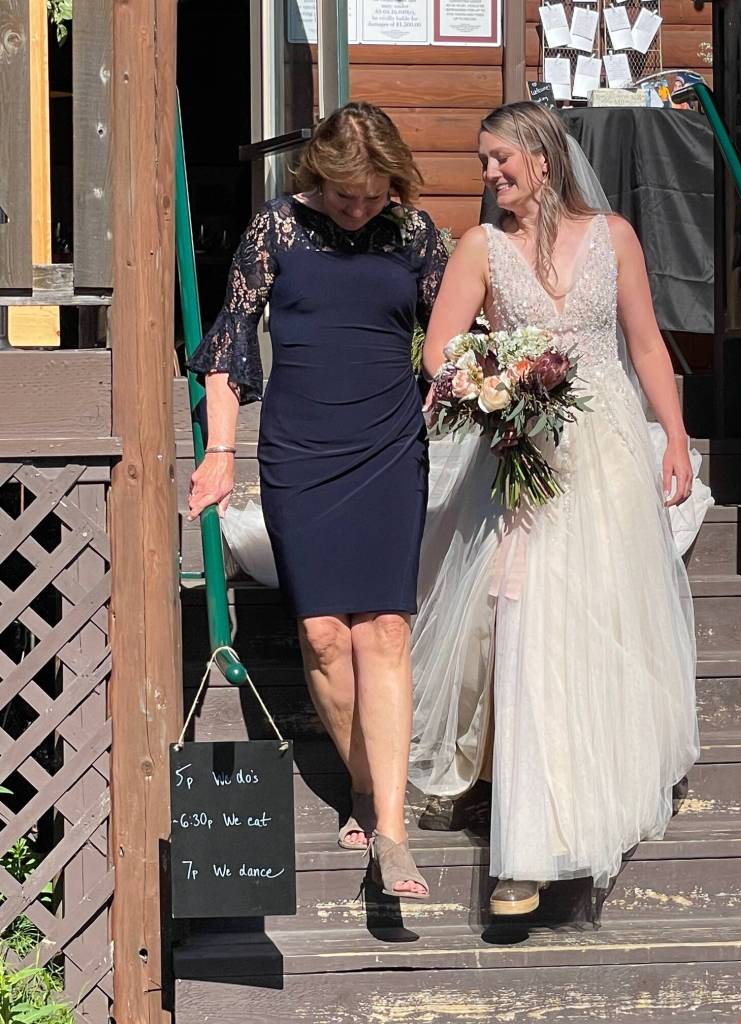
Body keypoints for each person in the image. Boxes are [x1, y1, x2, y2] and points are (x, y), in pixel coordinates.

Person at [413, 101, 701, 915]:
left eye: (501, 159)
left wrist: (676, 438)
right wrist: (492, 379)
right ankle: (529, 845)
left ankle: (606, 774)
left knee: (600, 612)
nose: (489, 174)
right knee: (529, 620)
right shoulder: (481, 248)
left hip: (607, 453)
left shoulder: (614, 237)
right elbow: (439, 351)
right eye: (482, 161)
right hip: (522, 455)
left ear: (543, 159)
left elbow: (645, 343)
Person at [187, 101, 448, 900]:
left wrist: (467, 385)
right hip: (301, 450)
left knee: (386, 627)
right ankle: (364, 784)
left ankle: (393, 833)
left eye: (373, 195)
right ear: (319, 176)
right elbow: (229, 344)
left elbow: (457, 338)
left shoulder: (415, 234)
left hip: (388, 447)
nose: (359, 209)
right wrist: (221, 454)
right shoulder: (276, 228)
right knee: (324, 634)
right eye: (345, 196)